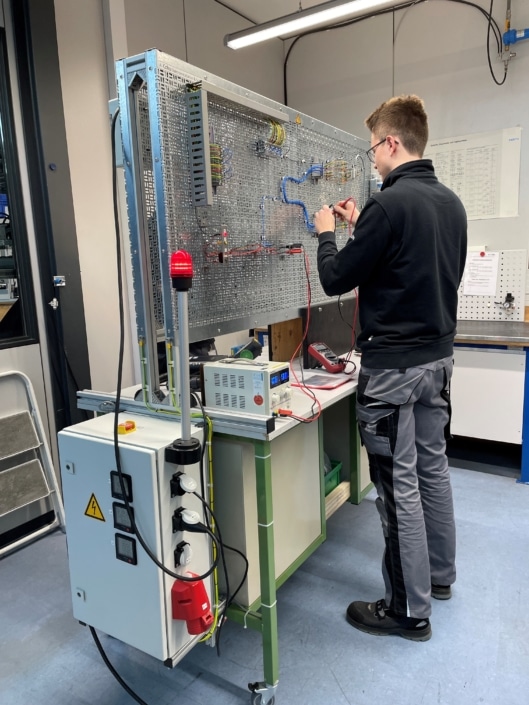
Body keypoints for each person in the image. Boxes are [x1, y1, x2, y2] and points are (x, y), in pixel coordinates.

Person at [313, 95, 467, 642]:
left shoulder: (389, 203)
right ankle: (440, 579)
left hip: (394, 374)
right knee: (432, 470)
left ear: (392, 143)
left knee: (396, 487)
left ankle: (408, 609)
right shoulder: (449, 204)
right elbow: (408, 265)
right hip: (437, 363)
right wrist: (365, 225)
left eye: (374, 147)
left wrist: (328, 232)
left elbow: (336, 279)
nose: (373, 159)